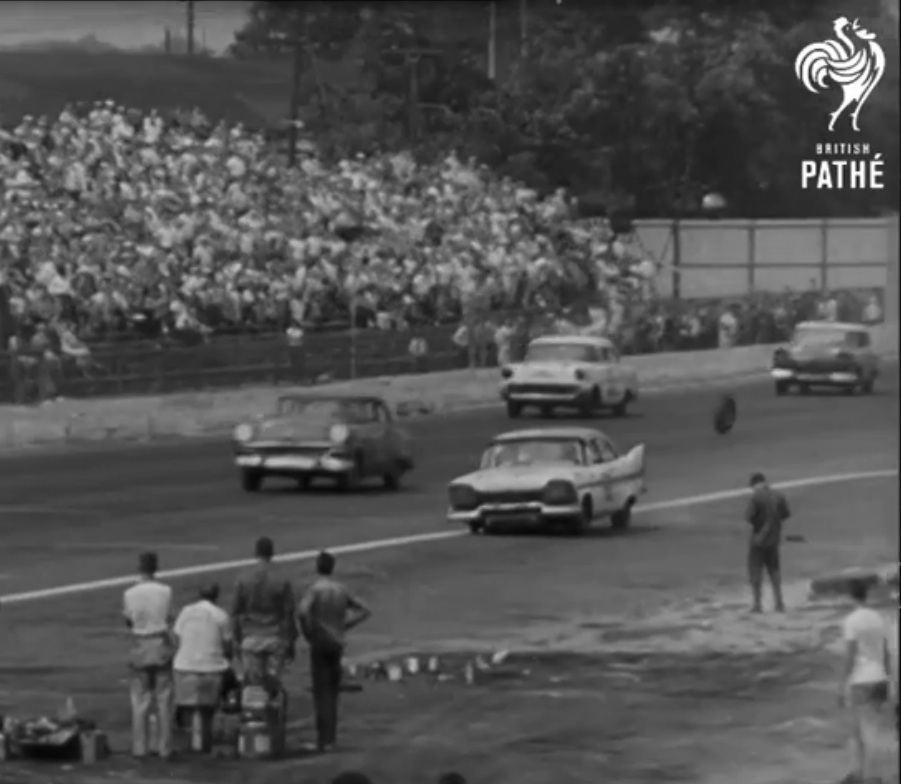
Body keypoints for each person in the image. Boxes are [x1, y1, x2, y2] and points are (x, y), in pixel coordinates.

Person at [298, 550, 372, 753]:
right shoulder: (341, 589)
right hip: (337, 642)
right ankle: (331, 739)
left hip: (321, 642)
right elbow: (365, 610)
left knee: (321, 692)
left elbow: (303, 611)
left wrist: (309, 631)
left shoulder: (315, 589)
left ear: (317, 567)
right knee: (332, 691)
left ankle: (323, 740)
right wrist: (344, 625)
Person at [839, 578, 894, 784]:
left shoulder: (851, 621)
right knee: (876, 730)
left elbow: (850, 656)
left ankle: (860, 775)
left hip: (861, 680)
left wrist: (841, 684)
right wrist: (889, 678)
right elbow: (886, 652)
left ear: (850, 596)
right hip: (880, 677)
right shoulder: (878, 618)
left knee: (857, 731)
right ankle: (876, 775)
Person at [122, 551, 175, 759]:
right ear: (156, 568)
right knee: (164, 700)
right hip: (160, 644)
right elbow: (170, 618)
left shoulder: (129, 593)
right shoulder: (166, 591)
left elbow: (129, 621)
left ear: (139, 568)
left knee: (140, 700)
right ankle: (165, 747)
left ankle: (140, 747)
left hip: (139, 646)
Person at [230, 537, 297, 694]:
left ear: (256, 553)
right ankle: (273, 711)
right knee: (273, 685)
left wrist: (236, 640)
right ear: (272, 553)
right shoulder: (282, 579)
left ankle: (254, 714)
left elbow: (235, 613)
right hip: (275, 637)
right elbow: (289, 614)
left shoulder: (243, 578)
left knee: (253, 686)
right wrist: (291, 641)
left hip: (250, 638)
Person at [172, 583, 233, 750]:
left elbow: (177, 638)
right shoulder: (221, 615)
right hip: (212, 670)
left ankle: (183, 734)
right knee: (221, 696)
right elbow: (228, 646)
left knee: (183, 706)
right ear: (216, 596)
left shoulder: (186, 611)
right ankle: (213, 734)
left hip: (183, 668)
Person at [744, 472, 790, 613]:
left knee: (756, 571)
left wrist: (760, 526)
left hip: (758, 540)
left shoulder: (756, 497)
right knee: (774, 571)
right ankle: (779, 602)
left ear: (755, 484)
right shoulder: (779, 495)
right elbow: (785, 514)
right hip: (774, 539)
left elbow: (748, 517)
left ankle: (757, 604)